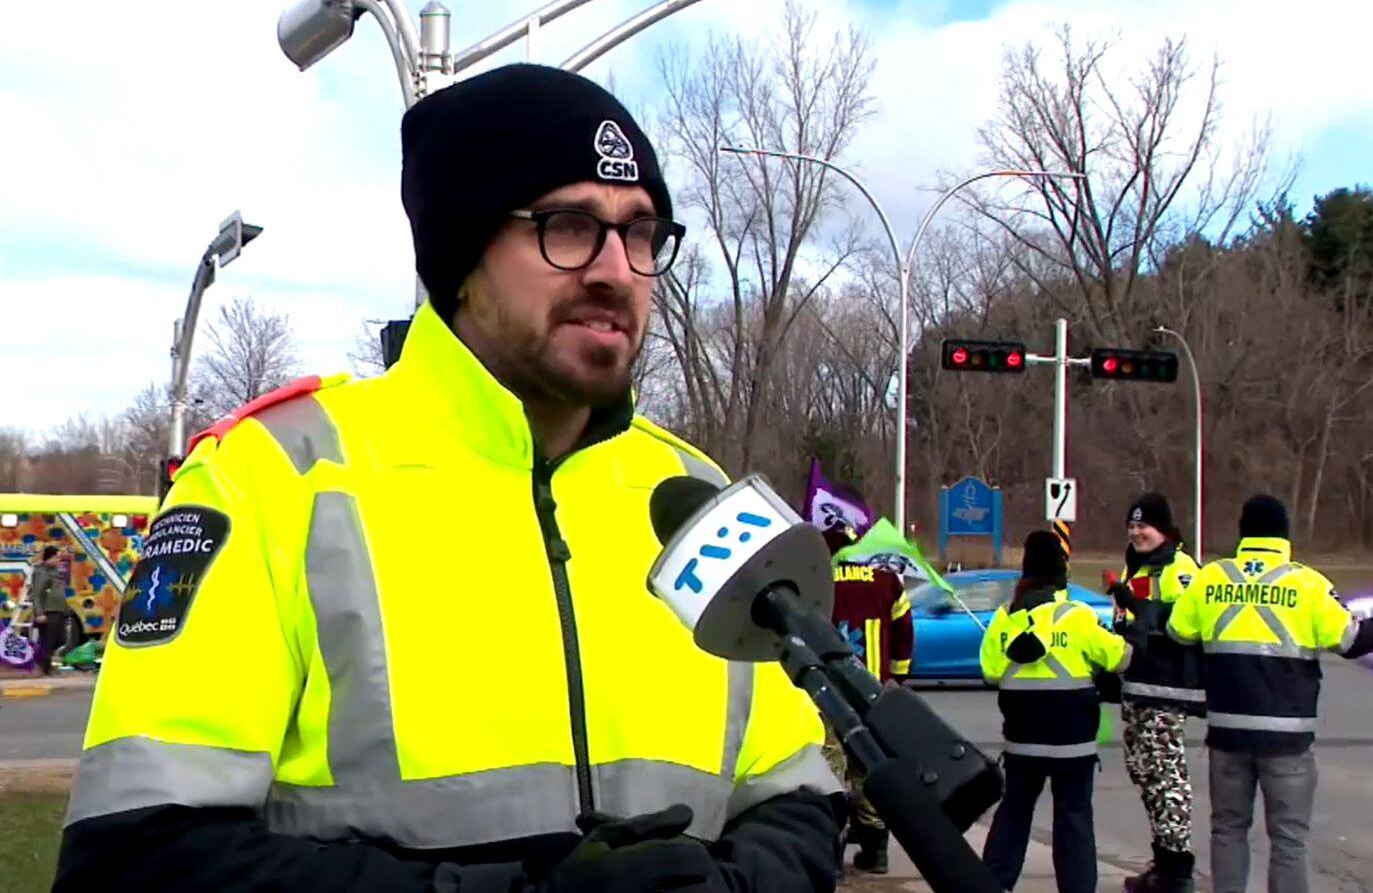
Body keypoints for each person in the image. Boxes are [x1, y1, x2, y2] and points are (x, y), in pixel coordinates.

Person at [55, 65, 842, 893]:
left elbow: (794, 795)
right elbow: (135, 859)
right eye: (569, 226)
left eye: (640, 232)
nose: (617, 269)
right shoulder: (273, 480)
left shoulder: (693, 492)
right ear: (464, 257)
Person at [1167, 495, 1373, 893]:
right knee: (1289, 842)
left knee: (1227, 831)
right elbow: (1352, 640)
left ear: (1243, 533)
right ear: (1284, 535)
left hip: (1226, 733)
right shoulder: (1307, 584)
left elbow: (1178, 631)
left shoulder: (1211, 579)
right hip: (1287, 738)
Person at [981, 531, 1132, 893]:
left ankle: (991, 884)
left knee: (1015, 812)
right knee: (1074, 816)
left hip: (1022, 741)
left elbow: (989, 671)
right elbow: (1120, 656)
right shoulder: (1076, 617)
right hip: (1072, 743)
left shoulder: (1005, 619)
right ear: (1062, 570)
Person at [1107, 494, 1204, 893]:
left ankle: (1178, 870)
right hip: (1137, 688)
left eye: (1143, 526)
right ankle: (1162, 861)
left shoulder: (1179, 568)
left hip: (1166, 689)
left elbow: (1183, 624)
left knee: (1167, 777)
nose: (1136, 532)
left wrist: (1132, 603)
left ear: (1162, 529)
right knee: (1144, 774)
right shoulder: (1139, 567)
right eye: (1131, 526)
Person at [819, 522, 913, 875]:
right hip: (872, 694)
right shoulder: (886, 580)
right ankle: (876, 851)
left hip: (827, 694)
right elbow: (904, 632)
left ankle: (831, 854)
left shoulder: (817, 580)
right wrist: (896, 677)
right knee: (868, 767)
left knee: (830, 769)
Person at [30, 546, 68, 676]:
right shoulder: (42, 572)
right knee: (48, 642)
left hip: (59, 611)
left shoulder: (55, 572)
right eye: (56, 557)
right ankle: (45, 668)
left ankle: (47, 665)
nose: (59, 560)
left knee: (62, 639)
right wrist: (39, 613)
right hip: (48, 612)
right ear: (49, 557)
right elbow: (36, 594)